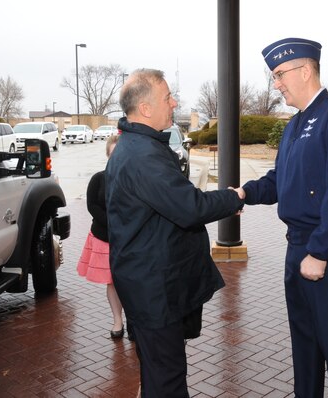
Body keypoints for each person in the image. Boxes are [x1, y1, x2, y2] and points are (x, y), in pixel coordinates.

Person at [234, 38, 328, 397]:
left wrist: (321, 251)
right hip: (299, 247)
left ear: (306, 69)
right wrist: (246, 193)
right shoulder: (296, 125)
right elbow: (280, 180)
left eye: (279, 74)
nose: (276, 83)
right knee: (305, 347)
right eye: (274, 76)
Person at [105, 68, 244, 398]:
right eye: (168, 97)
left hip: (150, 284)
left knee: (159, 374)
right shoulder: (142, 155)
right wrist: (232, 198)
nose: (174, 102)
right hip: (153, 289)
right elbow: (189, 207)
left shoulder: (138, 146)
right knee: (166, 378)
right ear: (146, 108)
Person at [77, 134, 125, 339]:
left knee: (132, 282)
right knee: (112, 282)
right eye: (112, 154)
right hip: (103, 238)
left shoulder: (134, 179)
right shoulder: (98, 179)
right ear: (107, 155)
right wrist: (111, 222)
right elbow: (92, 206)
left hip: (129, 240)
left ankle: (135, 321)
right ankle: (117, 320)